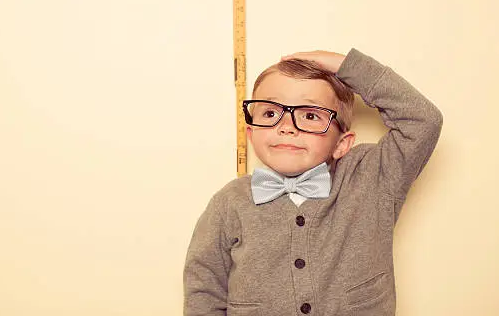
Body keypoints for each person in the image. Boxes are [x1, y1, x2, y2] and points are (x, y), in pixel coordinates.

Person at [183, 48, 443, 316]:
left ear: (342, 144)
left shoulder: (372, 177)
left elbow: (423, 121)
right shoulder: (229, 202)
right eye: (270, 114)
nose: (286, 126)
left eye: (309, 115)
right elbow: (204, 288)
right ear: (251, 134)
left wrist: (346, 66)